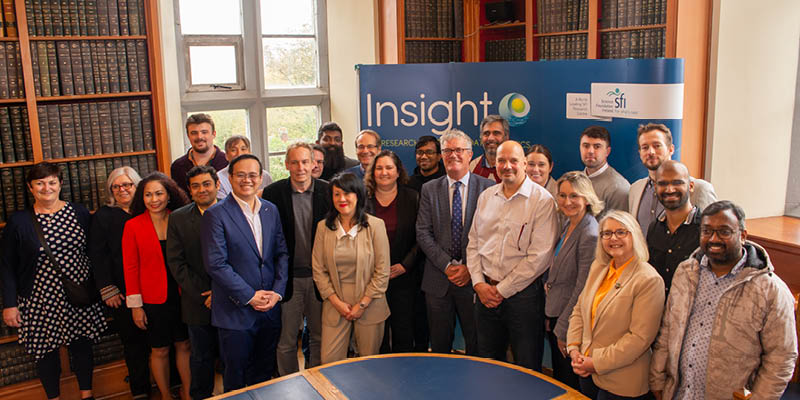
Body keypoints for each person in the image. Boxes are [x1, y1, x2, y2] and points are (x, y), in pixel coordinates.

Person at [650, 201, 797, 400]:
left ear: (742, 235)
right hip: (679, 393)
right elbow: (668, 328)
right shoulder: (686, 272)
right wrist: (657, 378)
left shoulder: (769, 289)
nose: (713, 239)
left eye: (724, 232)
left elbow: (782, 357)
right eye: (707, 231)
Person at [1, 162, 108, 400]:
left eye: (51, 182)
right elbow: (7, 265)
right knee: (45, 352)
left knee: (82, 345)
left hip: (79, 294)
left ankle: (87, 395)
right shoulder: (19, 221)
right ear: (30, 187)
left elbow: (94, 252)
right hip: (39, 298)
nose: (46, 188)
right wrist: (9, 304)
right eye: (39, 183)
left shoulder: (79, 213)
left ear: (60, 184)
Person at [466, 141, 558, 370]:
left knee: (527, 367)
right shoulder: (486, 197)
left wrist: (501, 290)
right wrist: (478, 283)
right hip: (485, 295)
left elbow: (539, 258)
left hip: (523, 298)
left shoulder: (543, 200)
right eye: (501, 161)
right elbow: (473, 244)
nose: (507, 166)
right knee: (488, 365)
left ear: (524, 164)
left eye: (513, 160)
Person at [201, 154, 289, 391]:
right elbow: (216, 264)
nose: (247, 180)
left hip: (270, 309)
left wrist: (277, 292)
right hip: (235, 312)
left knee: (264, 374)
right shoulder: (215, 215)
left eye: (252, 175)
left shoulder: (270, 210)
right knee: (236, 379)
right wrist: (250, 296)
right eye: (240, 175)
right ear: (230, 178)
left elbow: (281, 254)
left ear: (260, 178)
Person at [566, 210, 665, 399]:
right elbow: (579, 310)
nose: (613, 238)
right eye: (607, 233)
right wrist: (574, 349)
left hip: (622, 382)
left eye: (621, 232)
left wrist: (595, 363)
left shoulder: (648, 280)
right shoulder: (598, 267)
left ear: (634, 235)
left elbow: (639, 339)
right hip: (586, 371)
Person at [416, 129, 495, 355]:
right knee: (439, 346)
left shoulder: (487, 188)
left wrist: (469, 268)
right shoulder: (429, 189)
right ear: (442, 155)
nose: (453, 155)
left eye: (459, 150)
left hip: (475, 279)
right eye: (448, 150)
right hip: (438, 280)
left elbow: (492, 235)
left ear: (470, 154)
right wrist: (447, 266)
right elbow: (422, 232)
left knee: (477, 345)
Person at [262, 143, 331, 375]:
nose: (300, 167)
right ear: (286, 165)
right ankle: (288, 385)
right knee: (286, 340)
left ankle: (316, 381)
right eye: (294, 162)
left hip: (320, 279)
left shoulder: (328, 191)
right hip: (286, 279)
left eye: (305, 162)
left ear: (313, 164)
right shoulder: (273, 193)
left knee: (319, 337)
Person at [122, 172, 191, 400]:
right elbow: (130, 267)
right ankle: (165, 395)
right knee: (160, 349)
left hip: (182, 294)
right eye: (148, 195)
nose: (154, 199)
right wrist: (135, 306)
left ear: (169, 195)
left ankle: (188, 392)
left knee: (184, 345)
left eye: (159, 193)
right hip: (153, 299)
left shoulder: (180, 219)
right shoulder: (132, 226)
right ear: (141, 198)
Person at [311, 173, 390, 363]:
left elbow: (382, 271)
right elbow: (318, 269)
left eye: (347, 193)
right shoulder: (323, 227)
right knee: (329, 361)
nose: (342, 199)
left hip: (370, 303)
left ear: (358, 195)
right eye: (337, 194)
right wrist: (336, 302)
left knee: (369, 364)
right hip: (335, 303)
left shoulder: (375, 226)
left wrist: (362, 305)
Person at [88, 166, 152, 399]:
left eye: (127, 185)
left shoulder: (149, 209)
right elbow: (98, 255)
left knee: (162, 339)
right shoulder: (103, 216)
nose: (122, 190)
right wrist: (108, 289)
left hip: (153, 285)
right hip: (122, 291)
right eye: (116, 186)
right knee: (133, 343)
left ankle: (171, 384)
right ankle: (140, 390)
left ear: (137, 185)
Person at [166, 165, 220, 400]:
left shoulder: (234, 211)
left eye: (206, 184)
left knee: (233, 357)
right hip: (197, 302)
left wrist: (220, 292)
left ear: (217, 184)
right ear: (189, 190)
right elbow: (176, 263)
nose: (202, 190)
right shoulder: (178, 218)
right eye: (195, 186)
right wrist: (205, 293)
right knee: (201, 358)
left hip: (231, 299)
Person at [544, 171, 602, 389]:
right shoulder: (569, 224)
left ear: (587, 198)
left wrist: (563, 329)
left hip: (570, 322)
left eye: (574, 196)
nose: (567, 202)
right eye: (562, 195)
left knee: (568, 384)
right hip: (556, 312)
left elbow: (582, 288)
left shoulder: (590, 233)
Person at [364, 150, 421, 353]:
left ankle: (403, 370)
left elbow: (421, 236)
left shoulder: (412, 197)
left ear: (398, 172)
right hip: (370, 278)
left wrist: (405, 265)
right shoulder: (363, 199)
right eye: (379, 168)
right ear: (372, 172)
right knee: (376, 336)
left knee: (403, 333)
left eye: (389, 167)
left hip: (403, 276)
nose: (384, 172)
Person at [628, 123, 716, 235]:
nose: (651, 152)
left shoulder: (700, 189)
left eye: (657, 146)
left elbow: (712, 232)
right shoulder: (635, 189)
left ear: (671, 149)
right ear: (640, 153)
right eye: (645, 147)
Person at [646, 161, 701, 296]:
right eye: (663, 184)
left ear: (691, 186)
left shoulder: (705, 229)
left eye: (677, 183)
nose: (669, 190)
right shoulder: (654, 228)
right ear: (655, 187)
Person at [171, 113, 229, 195]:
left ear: (214, 134)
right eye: (194, 133)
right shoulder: (177, 167)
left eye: (204, 132)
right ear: (188, 136)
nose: (199, 137)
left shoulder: (227, 163)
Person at [579, 126, 630, 212]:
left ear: (607, 151)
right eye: (586, 146)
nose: (590, 151)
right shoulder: (576, 180)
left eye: (597, 146)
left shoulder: (618, 188)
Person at [216, 135, 273, 200]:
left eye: (243, 149)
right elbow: (222, 204)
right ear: (226, 156)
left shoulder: (265, 176)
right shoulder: (219, 178)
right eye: (233, 150)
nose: (239, 154)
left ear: (250, 153)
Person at [470, 115, 509, 183]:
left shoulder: (514, 166)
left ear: (506, 137)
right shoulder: (472, 167)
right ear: (481, 138)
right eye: (486, 133)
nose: (491, 138)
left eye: (496, 133)